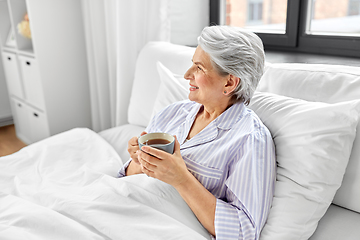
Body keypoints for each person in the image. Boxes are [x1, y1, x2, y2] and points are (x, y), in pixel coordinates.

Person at [118, 25, 276, 240]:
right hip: (122, 209)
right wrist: (139, 160)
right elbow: (124, 178)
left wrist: (182, 179)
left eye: (199, 68)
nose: (186, 75)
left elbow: (243, 232)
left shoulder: (250, 139)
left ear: (229, 82)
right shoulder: (172, 113)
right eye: (192, 64)